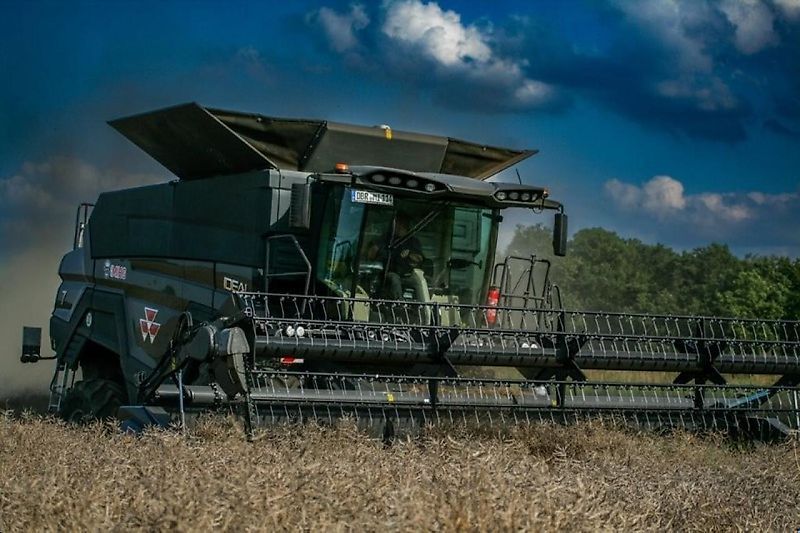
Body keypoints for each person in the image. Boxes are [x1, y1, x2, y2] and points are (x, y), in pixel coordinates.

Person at [366, 211, 425, 300]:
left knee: (419, 281)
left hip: (408, 274)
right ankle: (399, 304)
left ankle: (425, 306)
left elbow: (419, 259)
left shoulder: (413, 241)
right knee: (395, 279)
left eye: (403, 224)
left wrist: (409, 255)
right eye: (398, 223)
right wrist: (375, 249)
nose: (400, 226)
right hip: (389, 272)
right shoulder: (386, 238)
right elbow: (371, 254)